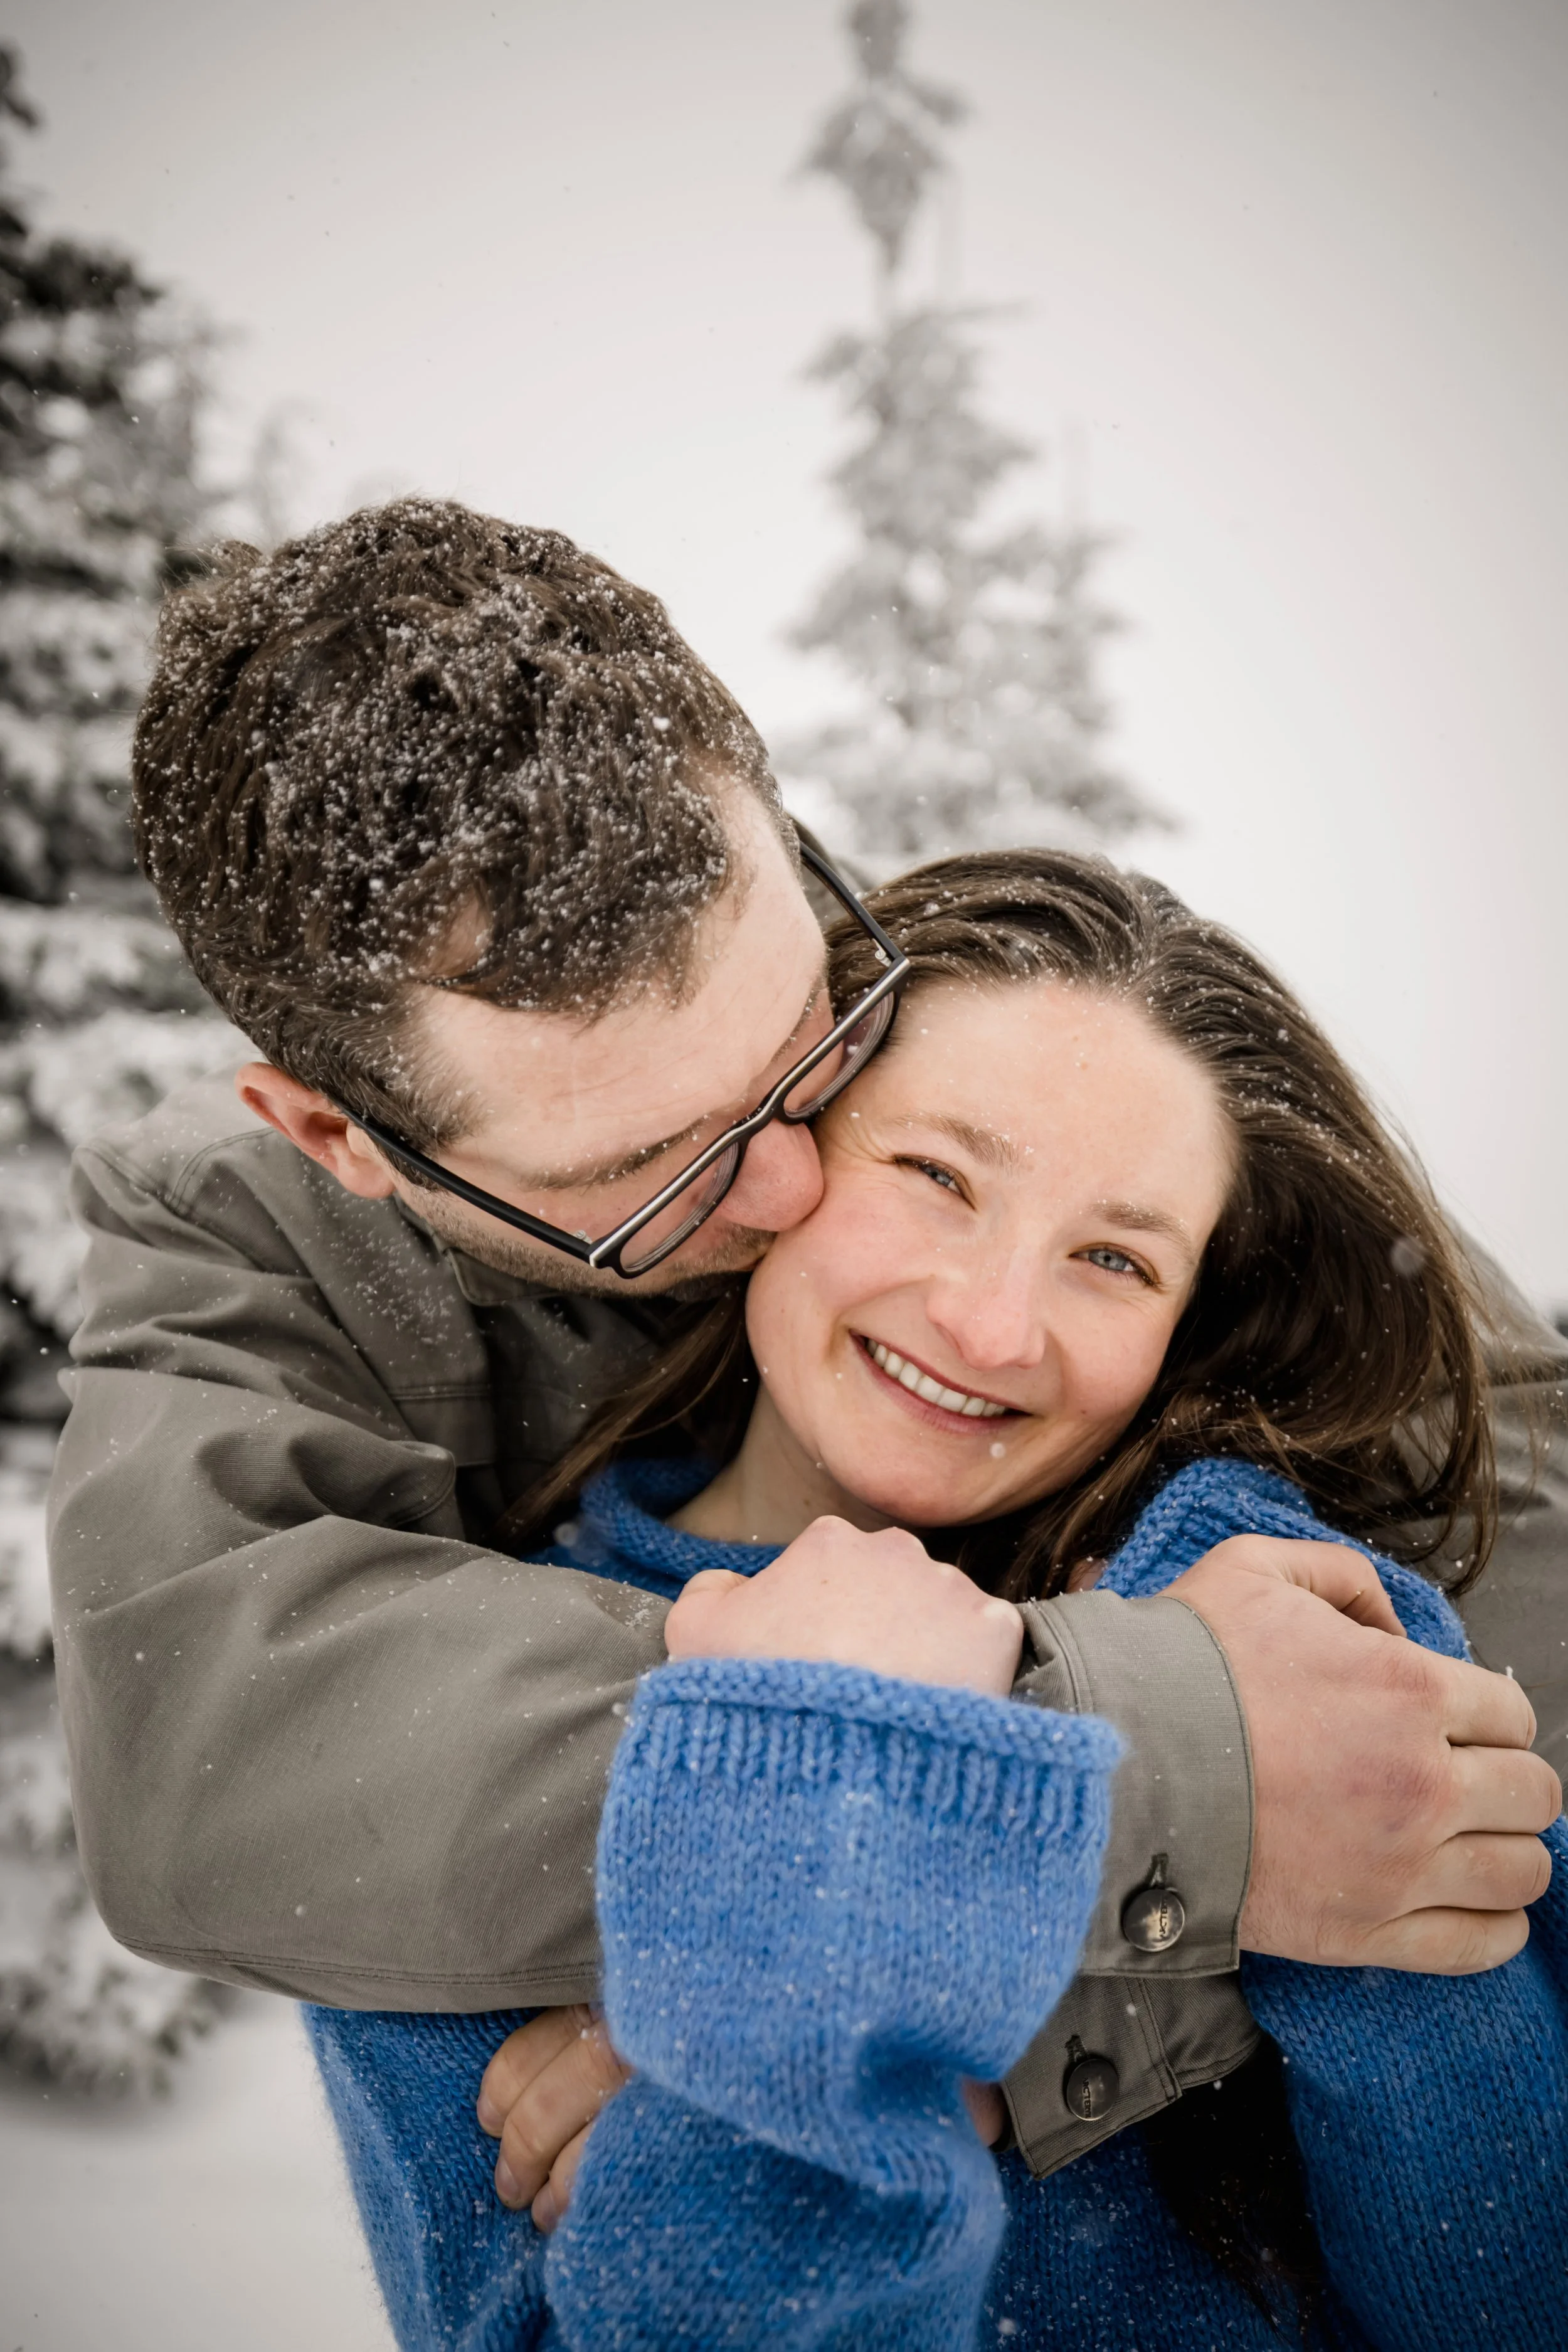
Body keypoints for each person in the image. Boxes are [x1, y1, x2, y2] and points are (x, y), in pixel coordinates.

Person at [48, 499, 1567, 2170]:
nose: (782, 1177)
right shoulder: (245, 1251)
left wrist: (1027, 2007)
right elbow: (221, 1765)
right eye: (647, 1169)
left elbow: (1505, 1500)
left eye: (803, 1040)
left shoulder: (964, 997)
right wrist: (1115, 1789)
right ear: (341, 1139)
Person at [308, 850, 1566, 2349]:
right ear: (767, 1153)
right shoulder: (462, 1709)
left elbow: (1506, 2292)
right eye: (934, 1175)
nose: (988, 1322)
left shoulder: (1294, 1618)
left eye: (1112, 1256)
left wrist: (1278, 1861)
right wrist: (844, 1974)